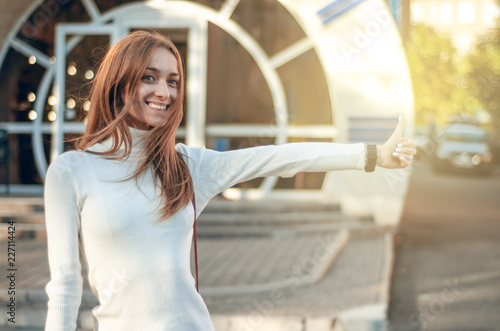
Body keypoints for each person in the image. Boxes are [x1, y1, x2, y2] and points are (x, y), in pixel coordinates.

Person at [44, 30, 416, 331]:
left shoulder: (187, 165)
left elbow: (278, 158)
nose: (165, 92)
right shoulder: (71, 171)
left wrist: (371, 155)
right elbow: (64, 283)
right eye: (149, 77)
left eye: (173, 81)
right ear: (119, 82)